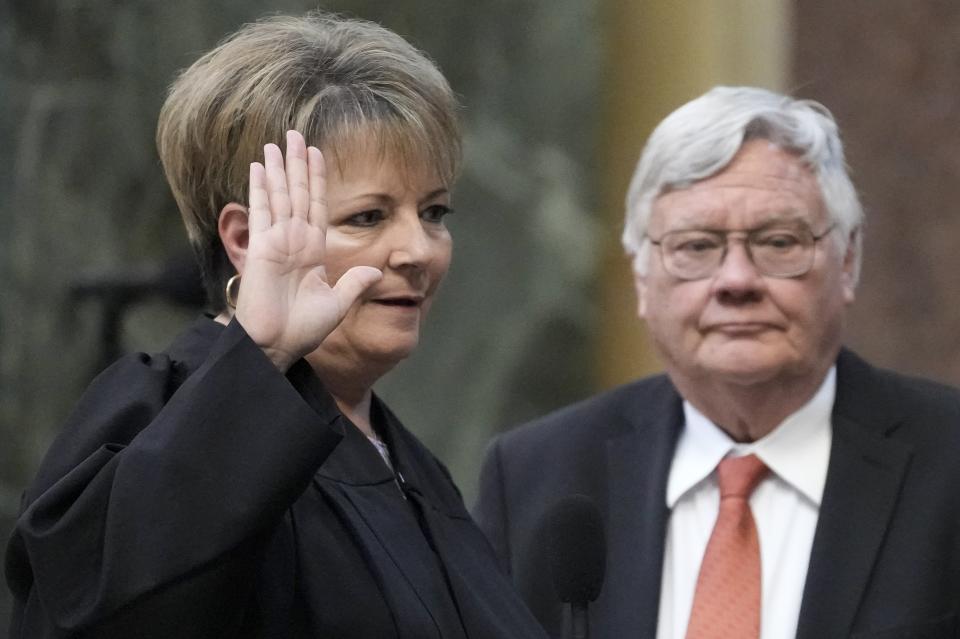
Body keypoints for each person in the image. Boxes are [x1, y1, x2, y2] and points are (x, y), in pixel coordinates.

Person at [5, 13, 547, 639]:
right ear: (245, 239)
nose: (419, 250)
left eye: (433, 212)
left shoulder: (408, 459)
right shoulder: (156, 414)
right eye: (368, 216)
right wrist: (262, 355)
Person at [474, 86, 960, 639]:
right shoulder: (538, 477)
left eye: (778, 242)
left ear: (847, 261)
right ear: (641, 278)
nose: (736, 281)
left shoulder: (948, 460)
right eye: (696, 246)